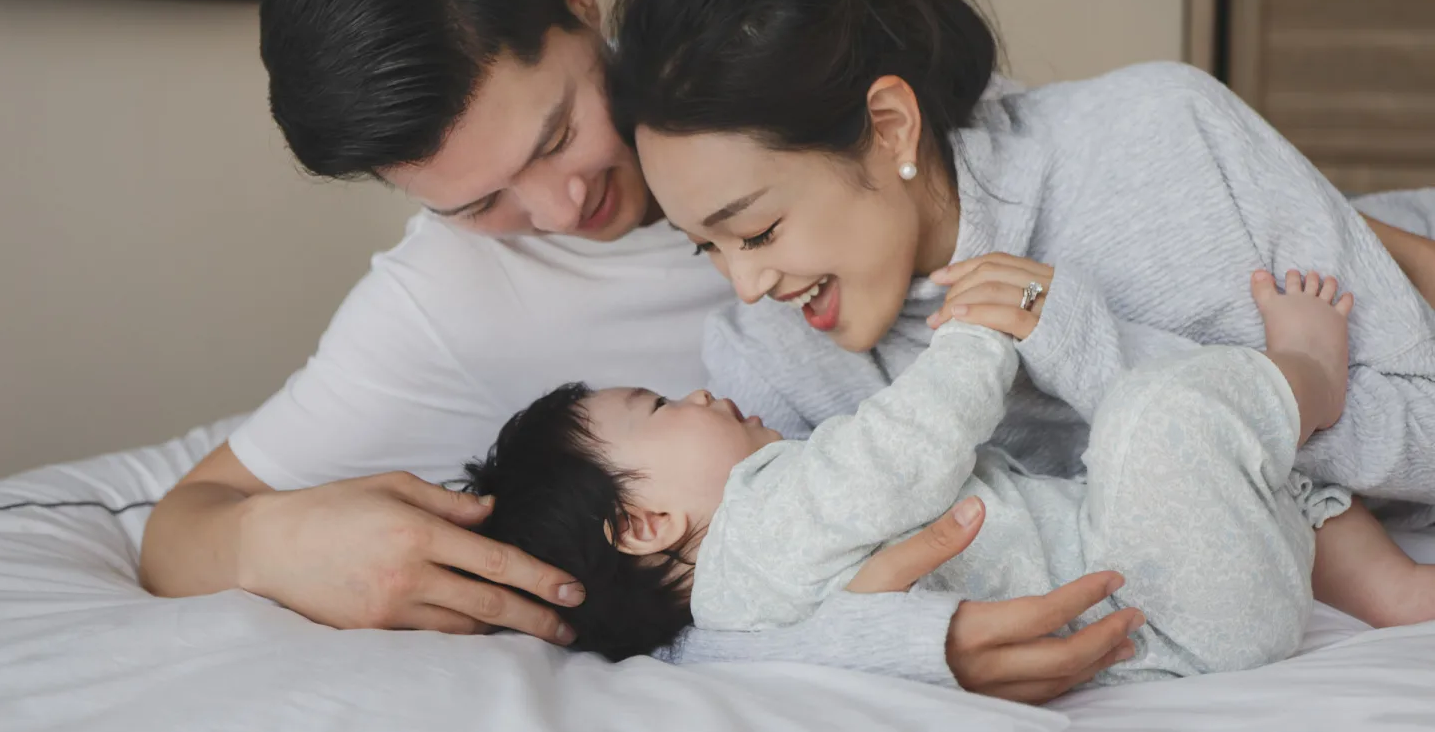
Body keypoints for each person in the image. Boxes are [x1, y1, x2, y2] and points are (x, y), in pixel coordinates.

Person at [139, 0, 1435, 701]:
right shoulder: (483, 307)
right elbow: (183, 519)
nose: (561, 206)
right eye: (483, 203)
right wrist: (274, 537)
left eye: (554, 135)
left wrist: (1328, 282)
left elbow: (1057, 178)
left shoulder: (773, 66)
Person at [605, 0, 1435, 641]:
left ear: (890, 126)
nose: (746, 285)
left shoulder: (1157, 138)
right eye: (705, 245)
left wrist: (1097, 352)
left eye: (757, 230)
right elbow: (739, 604)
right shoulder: (767, 363)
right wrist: (931, 649)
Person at [465, 270, 1361, 686]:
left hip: (1165, 617)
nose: (697, 392)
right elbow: (906, 448)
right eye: (659, 405)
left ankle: (1370, 566)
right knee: (1154, 412)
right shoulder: (769, 519)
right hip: (1167, 601)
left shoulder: (736, 619)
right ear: (644, 523)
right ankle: (1311, 373)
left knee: (1146, 455)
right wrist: (975, 335)